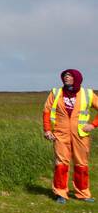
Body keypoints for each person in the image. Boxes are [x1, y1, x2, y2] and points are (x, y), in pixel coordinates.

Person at [43, 69, 94, 203]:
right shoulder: (55, 92)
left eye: (69, 75)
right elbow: (46, 111)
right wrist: (47, 130)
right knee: (61, 164)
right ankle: (60, 193)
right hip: (60, 133)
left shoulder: (87, 93)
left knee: (81, 164)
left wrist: (93, 125)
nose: (66, 77)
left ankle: (83, 193)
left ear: (76, 78)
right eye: (65, 75)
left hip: (81, 135)